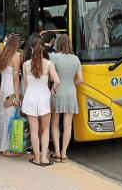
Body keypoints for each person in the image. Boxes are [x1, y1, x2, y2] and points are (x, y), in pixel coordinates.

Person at [22, 38, 60, 166]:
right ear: (43, 49)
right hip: (44, 96)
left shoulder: (26, 64)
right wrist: (53, 90)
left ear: (31, 49)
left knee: (33, 129)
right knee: (45, 129)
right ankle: (44, 158)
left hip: (30, 97)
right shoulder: (49, 64)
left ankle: (36, 158)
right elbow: (57, 81)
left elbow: (26, 85)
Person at [49, 35, 83, 163]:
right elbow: (80, 79)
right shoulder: (76, 59)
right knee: (68, 124)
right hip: (71, 92)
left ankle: (56, 152)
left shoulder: (54, 57)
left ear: (58, 44)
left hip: (57, 91)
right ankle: (64, 154)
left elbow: (52, 79)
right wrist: (72, 83)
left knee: (55, 123)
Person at [0, 34, 21, 156]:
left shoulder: (2, 54)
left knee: (1, 117)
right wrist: (17, 96)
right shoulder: (16, 56)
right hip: (11, 91)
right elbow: (16, 78)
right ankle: (7, 148)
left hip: (2, 89)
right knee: (9, 119)